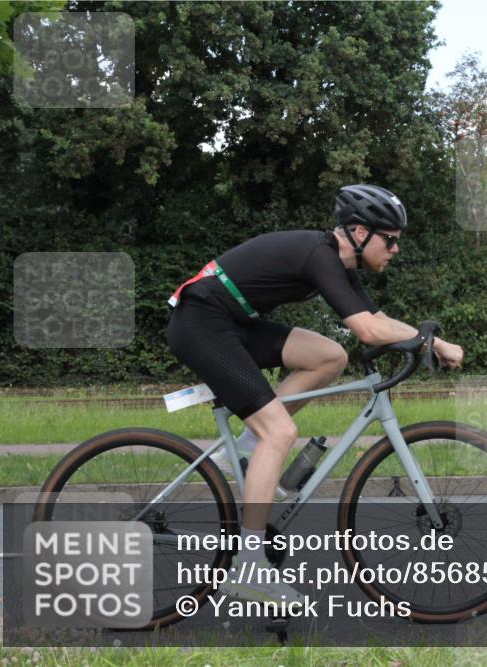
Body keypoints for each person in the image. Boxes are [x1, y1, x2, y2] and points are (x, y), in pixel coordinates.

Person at [166, 184, 464, 605]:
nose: (396, 249)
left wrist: (417, 337)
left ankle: (247, 451)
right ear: (360, 232)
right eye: (391, 239)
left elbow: (374, 318)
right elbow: (369, 329)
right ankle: (249, 567)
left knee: (329, 356)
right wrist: (433, 343)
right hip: (201, 322)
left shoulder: (340, 264)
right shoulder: (319, 254)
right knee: (280, 433)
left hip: (234, 321)